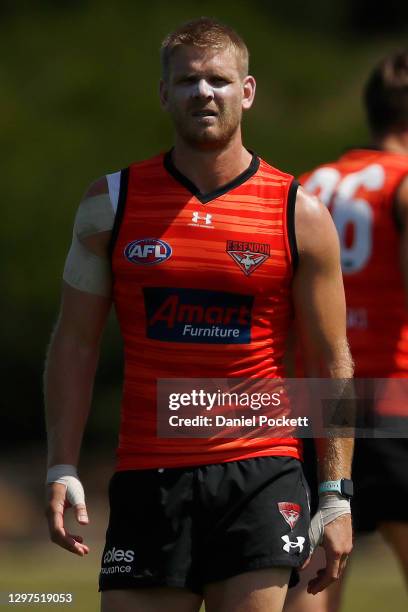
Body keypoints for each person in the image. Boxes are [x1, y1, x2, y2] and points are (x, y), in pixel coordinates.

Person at [44, 18, 353, 612]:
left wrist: (336, 493)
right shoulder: (110, 204)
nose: (203, 93)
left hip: (261, 473)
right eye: (187, 81)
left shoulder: (300, 212)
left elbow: (330, 356)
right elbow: (75, 344)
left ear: (248, 91)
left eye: (218, 79)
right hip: (147, 476)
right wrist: (63, 462)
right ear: (164, 94)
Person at [284, 49, 408, 612]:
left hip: (323, 397)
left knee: (318, 571)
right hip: (395, 392)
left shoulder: (312, 184)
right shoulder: (403, 182)